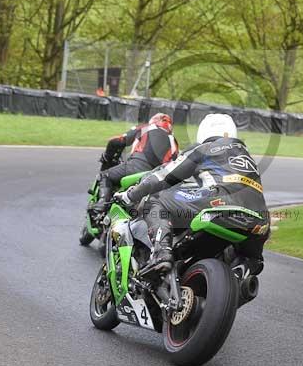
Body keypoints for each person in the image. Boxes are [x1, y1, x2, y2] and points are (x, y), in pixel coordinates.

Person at [115, 113, 268, 276]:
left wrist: (130, 195)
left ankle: (162, 253)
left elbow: (163, 176)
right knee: (252, 260)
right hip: (260, 220)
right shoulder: (247, 156)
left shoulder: (203, 149)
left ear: (204, 131)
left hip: (217, 203)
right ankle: (240, 274)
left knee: (156, 199)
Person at [90, 113, 178, 215]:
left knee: (105, 175)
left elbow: (117, 141)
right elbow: (174, 163)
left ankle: (102, 205)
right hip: (155, 175)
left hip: (136, 166)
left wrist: (107, 157)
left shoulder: (145, 128)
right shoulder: (173, 140)